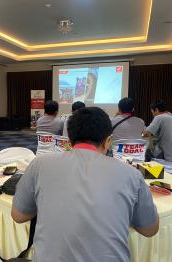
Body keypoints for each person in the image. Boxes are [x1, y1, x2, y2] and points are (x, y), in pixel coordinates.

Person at [12, 107, 159, 261]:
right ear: (108, 141)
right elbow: (150, 229)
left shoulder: (40, 164)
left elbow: (18, 215)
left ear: (69, 138)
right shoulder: (132, 175)